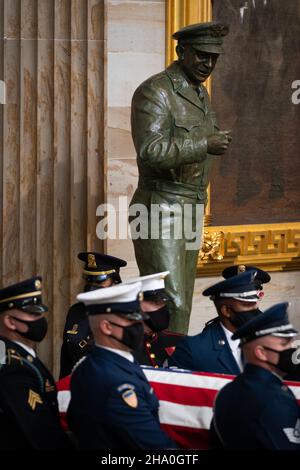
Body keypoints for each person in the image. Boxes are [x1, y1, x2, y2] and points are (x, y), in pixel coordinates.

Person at [129, 22, 232, 334]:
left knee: (181, 300)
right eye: (201, 56)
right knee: (170, 302)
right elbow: (150, 150)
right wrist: (204, 144)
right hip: (160, 208)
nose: (208, 64)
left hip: (190, 206)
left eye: (214, 58)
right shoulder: (155, 91)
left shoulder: (199, 93)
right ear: (180, 51)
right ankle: (163, 375)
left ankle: (170, 372)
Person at [67, 282, 177, 450]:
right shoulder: (116, 384)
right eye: (131, 319)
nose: (139, 325)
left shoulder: (95, 364)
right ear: (107, 326)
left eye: (139, 317)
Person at [211, 302, 300, 450]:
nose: (291, 349)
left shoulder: (228, 390)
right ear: (261, 353)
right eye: (284, 344)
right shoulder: (274, 399)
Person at [0, 277, 70, 450]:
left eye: (40, 313)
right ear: (9, 321)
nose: (40, 319)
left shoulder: (21, 355)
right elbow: (39, 431)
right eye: (32, 314)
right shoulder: (12, 366)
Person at [168, 270, 263, 374]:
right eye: (247, 305)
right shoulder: (194, 349)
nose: (255, 310)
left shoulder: (269, 340)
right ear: (226, 311)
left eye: (255, 304)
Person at [59, 252, 127, 378]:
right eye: (89, 279)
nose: (92, 286)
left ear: (115, 281)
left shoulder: (124, 315)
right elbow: (66, 361)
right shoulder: (76, 311)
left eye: (99, 281)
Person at [125, 272, 185, 367]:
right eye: (156, 303)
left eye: (163, 303)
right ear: (135, 306)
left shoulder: (180, 341)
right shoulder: (122, 348)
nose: (162, 308)